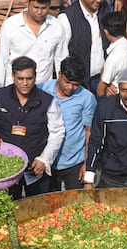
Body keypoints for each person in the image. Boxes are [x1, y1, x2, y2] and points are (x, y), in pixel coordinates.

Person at [0, 56, 65, 197]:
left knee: (38, 208)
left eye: (29, 78)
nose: (25, 83)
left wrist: (44, 159)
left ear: (35, 77)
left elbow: (57, 132)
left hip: (34, 168)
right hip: (4, 168)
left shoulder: (48, 101)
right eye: (20, 79)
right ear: (13, 76)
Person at [40, 56, 98, 191]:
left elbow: (89, 131)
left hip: (74, 162)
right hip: (46, 159)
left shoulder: (87, 98)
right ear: (59, 74)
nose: (71, 87)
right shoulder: (42, 89)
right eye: (67, 82)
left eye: (76, 84)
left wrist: (86, 164)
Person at [0, 0, 65, 86]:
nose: (39, 12)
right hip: (14, 89)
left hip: (44, 89)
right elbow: (1, 60)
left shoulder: (56, 26)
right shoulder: (10, 25)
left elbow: (61, 59)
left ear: (49, 5)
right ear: (28, 4)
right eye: (36, 7)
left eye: (44, 8)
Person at [57, 0, 112, 91]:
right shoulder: (66, 18)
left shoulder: (106, 11)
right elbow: (61, 55)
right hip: (77, 85)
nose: (99, 1)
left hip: (103, 81)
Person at [96, 11, 127, 97]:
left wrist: (106, 89)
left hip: (116, 99)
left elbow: (100, 91)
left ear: (106, 32)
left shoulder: (114, 58)